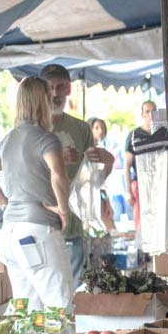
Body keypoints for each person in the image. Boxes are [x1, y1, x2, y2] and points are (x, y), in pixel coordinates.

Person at [0, 77, 73, 308]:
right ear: (44, 101)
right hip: (38, 233)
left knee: (29, 311)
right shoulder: (47, 139)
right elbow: (58, 175)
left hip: (10, 235)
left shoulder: (8, 139)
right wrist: (63, 210)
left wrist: (5, 204)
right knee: (61, 308)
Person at [41, 64, 114, 287]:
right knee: (48, 290)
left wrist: (107, 163)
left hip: (73, 224)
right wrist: (57, 159)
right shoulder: (34, 128)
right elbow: (25, 171)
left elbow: (91, 180)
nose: (54, 93)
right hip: (43, 219)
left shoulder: (82, 129)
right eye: (50, 87)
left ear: (69, 89)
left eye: (60, 86)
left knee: (72, 291)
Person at [124, 101, 157, 230]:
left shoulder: (162, 135)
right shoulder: (134, 135)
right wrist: (128, 191)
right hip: (140, 184)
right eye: (147, 111)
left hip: (158, 184)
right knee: (141, 224)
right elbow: (126, 165)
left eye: (153, 111)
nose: (151, 115)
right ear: (142, 114)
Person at [87, 117, 116, 232]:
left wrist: (106, 200)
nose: (100, 131)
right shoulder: (87, 152)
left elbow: (101, 179)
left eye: (102, 128)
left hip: (99, 194)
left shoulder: (102, 152)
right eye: (97, 128)